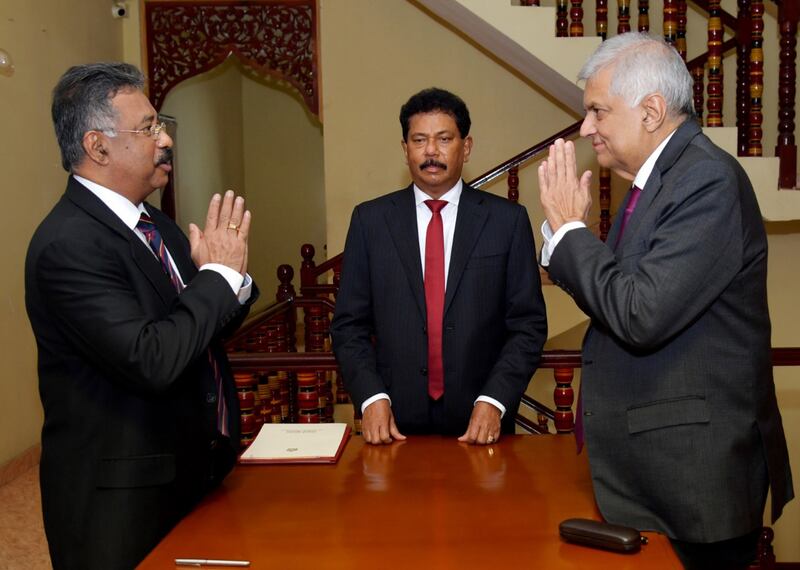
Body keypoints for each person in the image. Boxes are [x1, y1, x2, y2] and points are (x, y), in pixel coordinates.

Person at [537, 33, 794, 569]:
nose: (587, 129)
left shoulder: (706, 181)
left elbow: (639, 313)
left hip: (692, 480)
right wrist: (567, 238)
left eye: (597, 111)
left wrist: (568, 235)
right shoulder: (658, 183)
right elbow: (621, 297)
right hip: (655, 474)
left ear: (651, 111)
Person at [25, 62, 259, 570]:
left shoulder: (153, 223)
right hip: (120, 500)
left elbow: (194, 333)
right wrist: (217, 277)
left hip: (188, 473)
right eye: (149, 127)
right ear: (98, 145)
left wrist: (230, 282)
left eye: (161, 125)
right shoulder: (68, 245)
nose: (165, 140)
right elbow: (152, 357)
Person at [331, 88, 547, 445]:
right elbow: (348, 326)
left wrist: (495, 400)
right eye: (419, 140)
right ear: (405, 150)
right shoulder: (370, 221)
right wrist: (371, 397)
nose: (431, 151)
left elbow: (528, 325)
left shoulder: (506, 222)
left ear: (467, 146)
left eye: (444, 139)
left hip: (482, 425)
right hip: (394, 426)